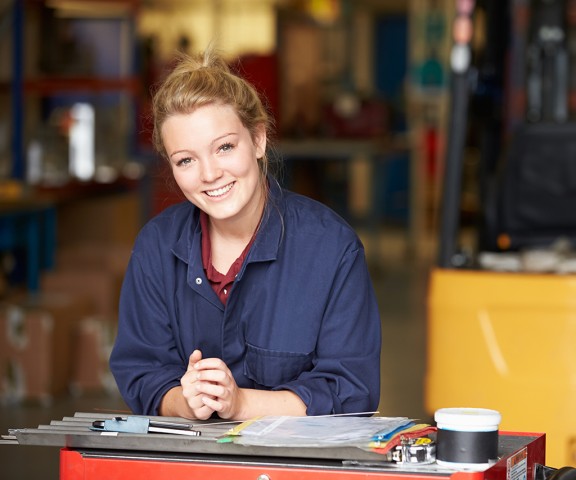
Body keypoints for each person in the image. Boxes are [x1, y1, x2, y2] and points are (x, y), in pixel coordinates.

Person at [109, 45, 381, 421]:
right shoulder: (156, 247)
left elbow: (352, 391)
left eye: (224, 147)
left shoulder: (332, 249)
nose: (209, 174)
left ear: (258, 139)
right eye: (186, 160)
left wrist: (240, 404)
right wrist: (185, 403)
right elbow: (141, 372)